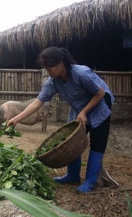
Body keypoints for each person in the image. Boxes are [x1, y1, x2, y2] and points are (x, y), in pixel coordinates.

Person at [7, 46, 114, 193]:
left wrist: (84, 112)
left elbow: (100, 93)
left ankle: (90, 181)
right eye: (46, 69)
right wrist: (16, 118)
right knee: (71, 140)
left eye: (49, 68)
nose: (48, 72)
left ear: (60, 64)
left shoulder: (81, 73)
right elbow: (37, 103)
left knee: (97, 142)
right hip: (79, 108)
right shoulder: (53, 82)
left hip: (99, 104)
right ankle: (72, 175)